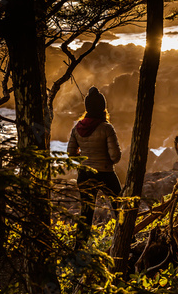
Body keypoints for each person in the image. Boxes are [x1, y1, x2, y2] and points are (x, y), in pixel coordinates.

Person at [67, 86, 122, 246]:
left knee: (86, 213)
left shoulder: (77, 128)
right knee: (119, 207)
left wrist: (85, 159)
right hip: (106, 173)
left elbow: (70, 153)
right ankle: (126, 243)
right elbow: (115, 157)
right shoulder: (106, 128)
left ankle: (79, 248)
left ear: (87, 107)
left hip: (85, 174)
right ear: (102, 107)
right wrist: (103, 159)